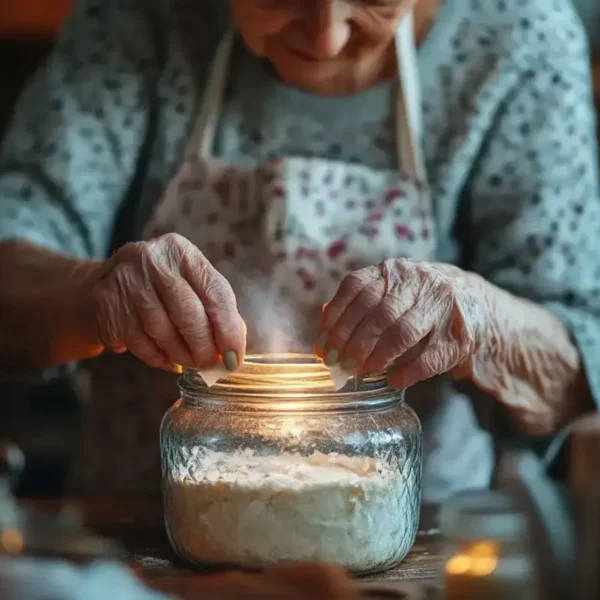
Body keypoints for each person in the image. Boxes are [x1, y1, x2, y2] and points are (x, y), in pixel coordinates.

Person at [0, 0, 599, 505]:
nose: (326, 36)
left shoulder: (519, 38)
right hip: (136, 550)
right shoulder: (140, 17)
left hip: (423, 546)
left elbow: (580, 368)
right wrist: (92, 294)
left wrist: (484, 323)